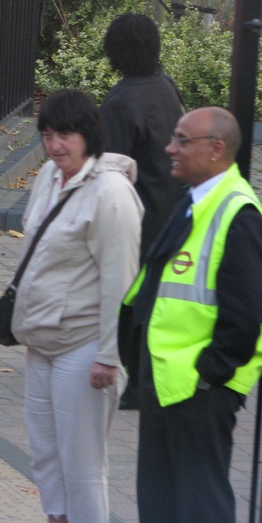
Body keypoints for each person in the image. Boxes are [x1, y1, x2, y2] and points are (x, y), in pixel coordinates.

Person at [120, 107, 262, 523]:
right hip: (168, 383)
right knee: (161, 503)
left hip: (199, 391)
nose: (170, 148)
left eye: (182, 140)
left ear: (217, 149)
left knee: (200, 507)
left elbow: (247, 311)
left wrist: (210, 374)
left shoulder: (238, 213)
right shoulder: (194, 201)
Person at [11, 89, 143, 523]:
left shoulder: (112, 194)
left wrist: (109, 355)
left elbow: (120, 282)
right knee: (47, 458)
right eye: (47, 135)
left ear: (88, 134)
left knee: (82, 467)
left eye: (65, 135)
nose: (55, 146)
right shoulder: (47, 177)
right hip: (40, 340)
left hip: (84, 347)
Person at [101, 12, 185, 262]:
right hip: (172, 218)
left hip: (138, 230)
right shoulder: (166, 85)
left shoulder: (120, 102)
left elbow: (107, 176)